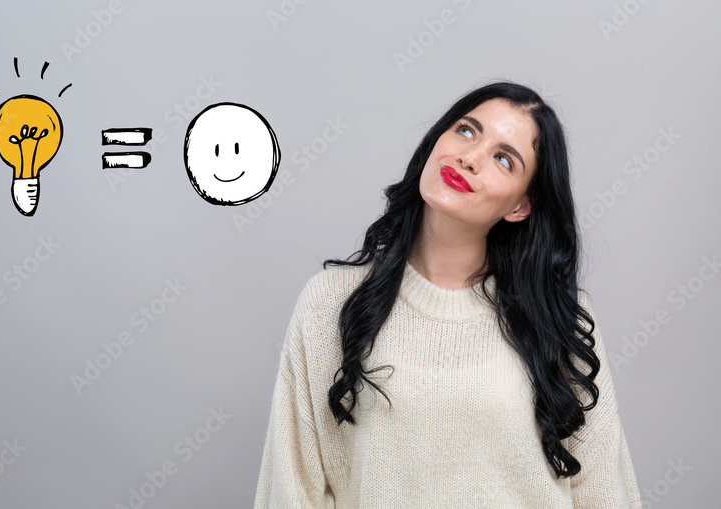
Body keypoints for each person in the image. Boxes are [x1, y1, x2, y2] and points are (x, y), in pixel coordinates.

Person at [253, 81, 642, 508]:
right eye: (467, 130)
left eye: (503, 159)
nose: (469, 157)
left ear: (520, 207)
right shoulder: (332, 302)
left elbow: (602, 486)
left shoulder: (557, 316)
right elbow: (294, 487)